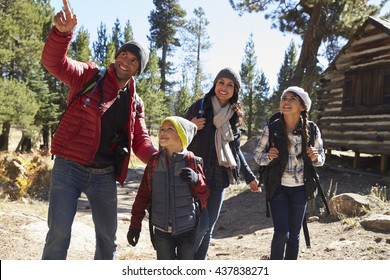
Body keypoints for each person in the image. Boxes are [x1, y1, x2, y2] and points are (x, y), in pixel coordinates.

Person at [41, 0, 157, 260]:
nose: (126, 60)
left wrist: (159, 159)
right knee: (58, 234)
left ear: (139, 70)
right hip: (69, 167)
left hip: (104, 175)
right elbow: (55, 64)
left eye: (134, 60)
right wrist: (62, 34)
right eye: (124, 54)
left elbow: (140, 139)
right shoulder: (90, 75)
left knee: (108, 241)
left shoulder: (134, 102)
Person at [184, 68, 260, 260]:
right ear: (215, 84)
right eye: (221, 82)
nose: (224, 88)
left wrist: (249, 178)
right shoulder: (200, 107)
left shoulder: (234, 115)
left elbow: (235, 151)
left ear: (235, 90)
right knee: (199, 226)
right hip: (195, 176)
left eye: (230, 84)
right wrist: (190, 125)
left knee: (208, 228)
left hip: (219, 178)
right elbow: (175, 134)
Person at [253, 86, 325, 260]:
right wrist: (268, 157)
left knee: (294, 235)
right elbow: (257, 156)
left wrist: (315, 157)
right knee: (281, 233)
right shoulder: (272, 129)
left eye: (292, 98)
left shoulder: (312, 129)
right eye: (284, 98)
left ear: (302, 106)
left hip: (301, 189)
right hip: (278, 188)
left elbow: (322, 158)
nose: (286, 101)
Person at [126, 116, 209, 260]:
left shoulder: (192, 161)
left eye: (169, 129)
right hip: (161, 230)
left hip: (188, 229)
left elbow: (205, 194)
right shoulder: (154, 162)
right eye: (161, 129)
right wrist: (135, 226)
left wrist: (196, 179)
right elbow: (142, 196)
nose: (163, 132)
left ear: (181, 136)